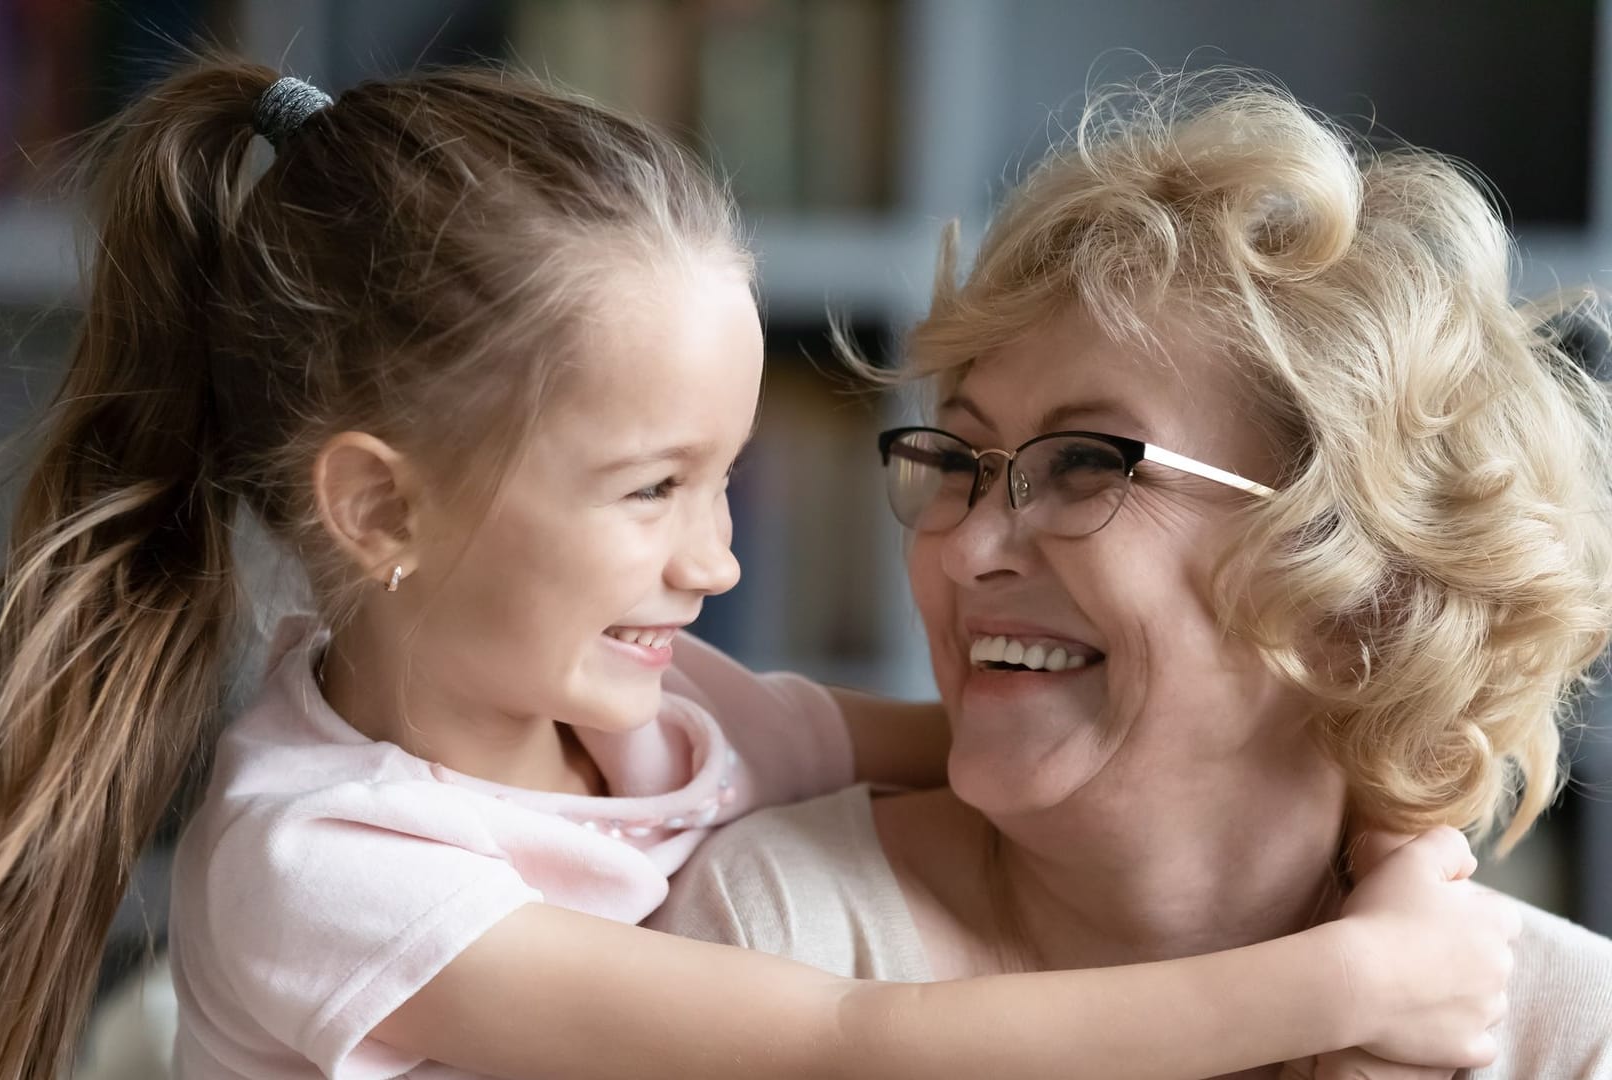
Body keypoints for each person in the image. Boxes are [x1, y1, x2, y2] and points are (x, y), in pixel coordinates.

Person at [0, 61, 1517, 1080]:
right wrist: (1347, 992)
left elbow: (977, 724)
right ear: (379, 511)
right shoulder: (327, 868)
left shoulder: (651, 722)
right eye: (653, 489)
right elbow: (847, 1047)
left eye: (727, 481)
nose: (720, 561)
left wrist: (1392, 802)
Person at [652, 72, 1612, 1079]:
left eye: (1083, 466)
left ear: (1360, 585)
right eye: (958, 464)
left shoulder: (1573, 1035)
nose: (970, 550)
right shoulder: (779, 929)